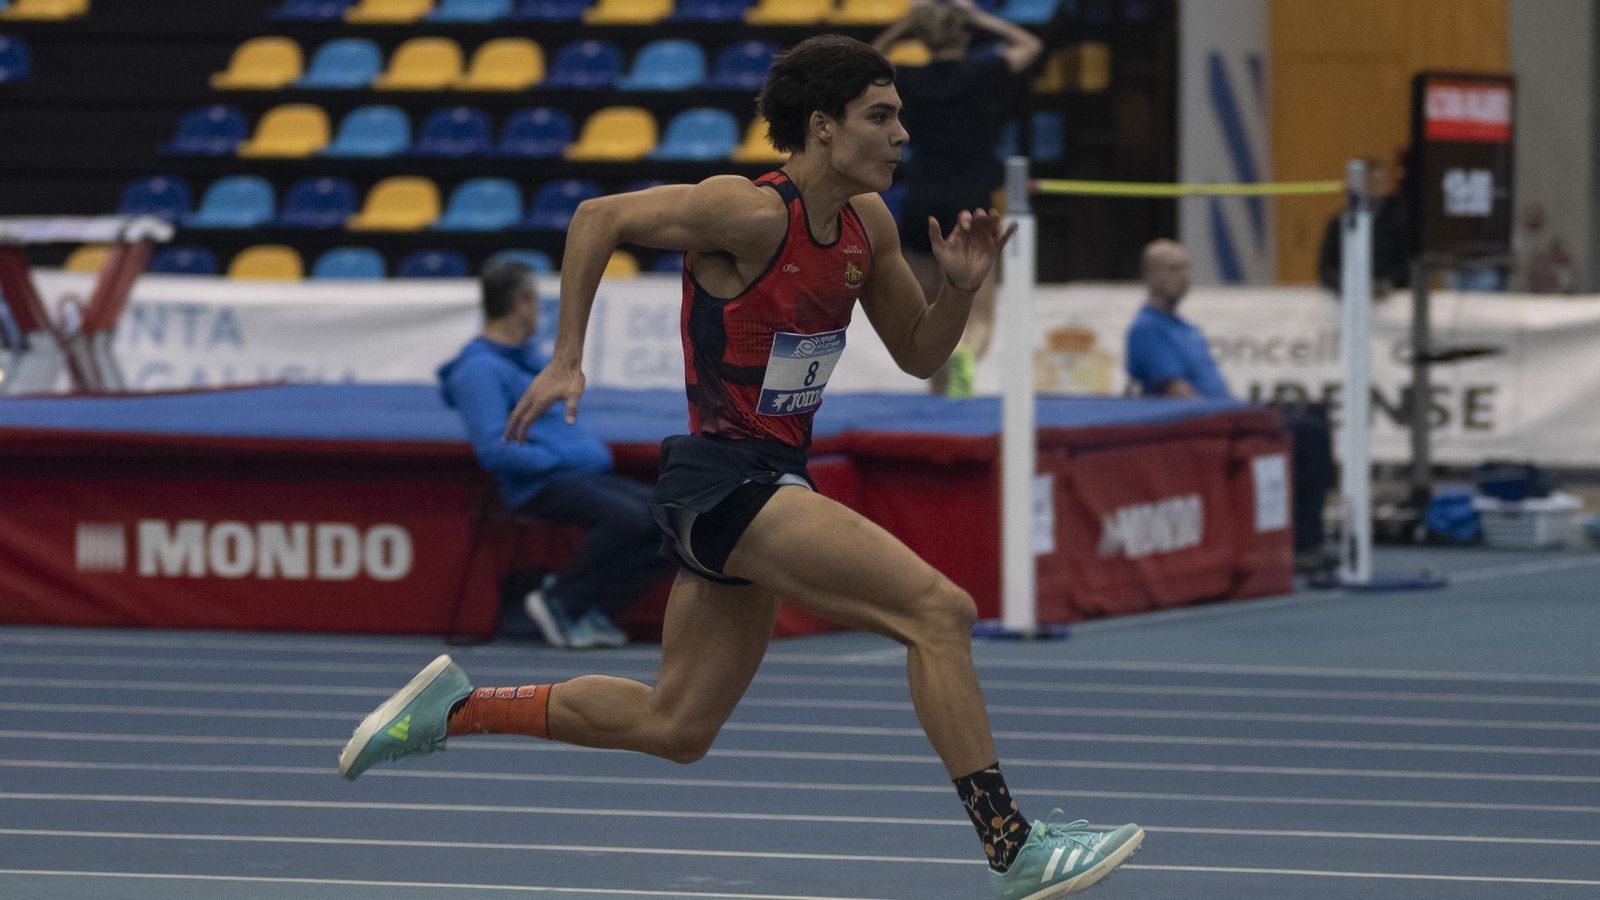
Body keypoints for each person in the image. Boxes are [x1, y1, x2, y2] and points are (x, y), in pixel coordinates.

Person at [341, 35, 1143, 899]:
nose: (903, 133)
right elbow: (596, 218)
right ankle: (1010, 844)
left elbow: (917, 354)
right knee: (939, 613)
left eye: (901, 115)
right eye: (883, 116)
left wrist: (959, 288)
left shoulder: (868, 224)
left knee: (675, 724)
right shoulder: (750, 213)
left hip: (760, 480)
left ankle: (453, 710)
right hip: (728, 478)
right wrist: (568, 355)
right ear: (825, 128)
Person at [438, 259, 669, 649]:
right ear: (521, 303)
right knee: (628, 519)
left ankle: (590, 607)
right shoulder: (478, 371)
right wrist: (559, 461)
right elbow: (495, 449)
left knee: (674, 519)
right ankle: (559, 600)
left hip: (581, 477)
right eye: (536, 301)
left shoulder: (530, 361)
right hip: (541, 484)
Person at [1127, 239, 1335, 571]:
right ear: (1149, 276)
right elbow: (1179, 394)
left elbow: (1213, 387)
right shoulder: (1147, 329)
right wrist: (1237, 417)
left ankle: (1304, 531)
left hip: (1226, 415)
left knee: (1316, 417)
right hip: (1203, 428)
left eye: (1185, 268)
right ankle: (1304, 542)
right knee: (1307, 435)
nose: (1183, 277)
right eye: (1173, 270)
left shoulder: (1186, 328)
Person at [872, 0, 1041, 396]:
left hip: (921, 202)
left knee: (931, 315)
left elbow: (867, 63)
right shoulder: (985, 71)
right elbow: (1031, 45)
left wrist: (903, 27)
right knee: (977, 310)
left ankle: (942, 397)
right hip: (971, 203)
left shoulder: (909, 79)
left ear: (924, 38)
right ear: (963, 34)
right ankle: (965, 359)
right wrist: (982, 18)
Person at [1317, 155, 1414, 294]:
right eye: (1368, 182)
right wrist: (1342, 285)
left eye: (1378, 182)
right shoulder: (1339, 222)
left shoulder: (1402, 220)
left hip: (1393, 299)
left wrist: (1386, 284)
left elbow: (1410, 265)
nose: (1373, 188)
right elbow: (1325, 266)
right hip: (1347, 298)